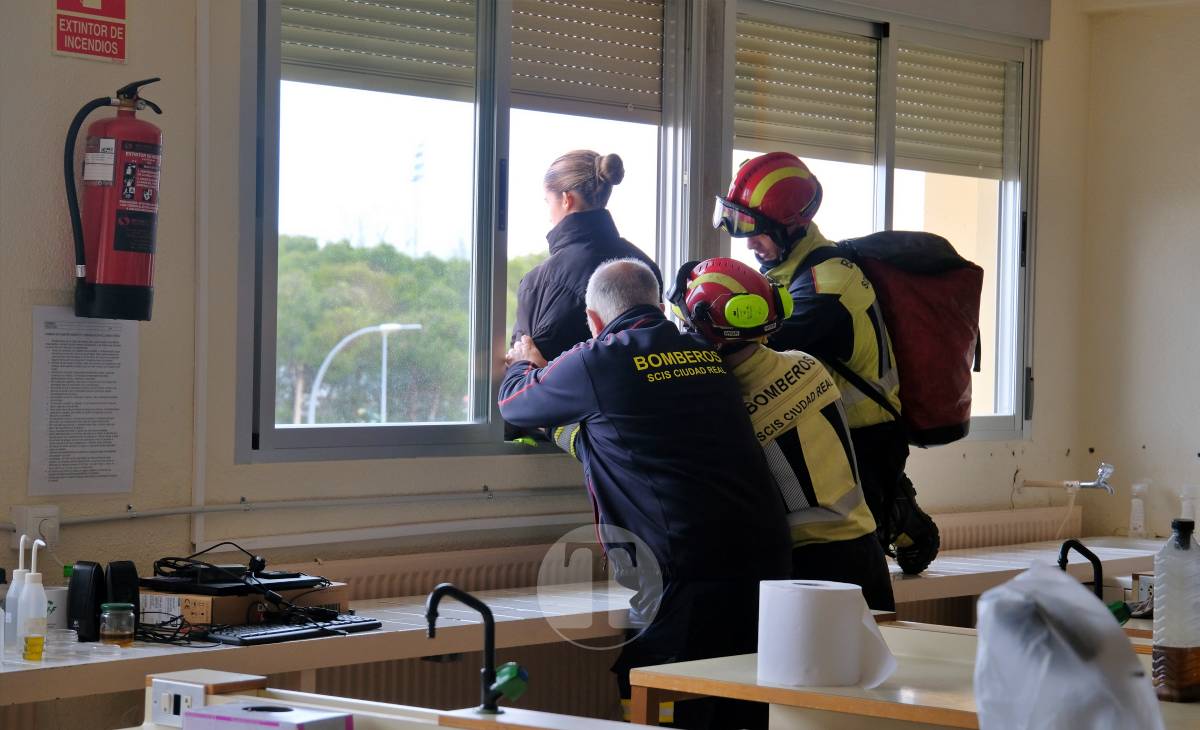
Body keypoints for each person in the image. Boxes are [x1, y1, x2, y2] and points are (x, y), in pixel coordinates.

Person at [500, 258, 790, 730]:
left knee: (664, 704)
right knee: (742, 708)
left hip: (687, 571)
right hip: (766, 561)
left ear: (593, 320)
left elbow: (516, 403)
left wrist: (522, 363)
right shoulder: (703, 351)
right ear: (657, 305)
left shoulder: (598, 360)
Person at [712, 151, 940, 575]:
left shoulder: (827, 285)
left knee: (852, 558)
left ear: (792, 225)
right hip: (836, 432)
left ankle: (900, 516)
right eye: (743, 228)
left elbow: (761, 348)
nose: (749, 243)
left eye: (758, 231)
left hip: (866, 438)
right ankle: (896, 506)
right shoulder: (789, 272)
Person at [670, 256, 895, 610]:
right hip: (867, 553)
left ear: (702, 331)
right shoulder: (808, 365)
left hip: (807, 571)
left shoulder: (727, 409)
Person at [511, 150, 662, 362]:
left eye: (548, 202)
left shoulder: (540, 282)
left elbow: (522, 371)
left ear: (567, 200)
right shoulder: (644, 266)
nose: (548, 216)